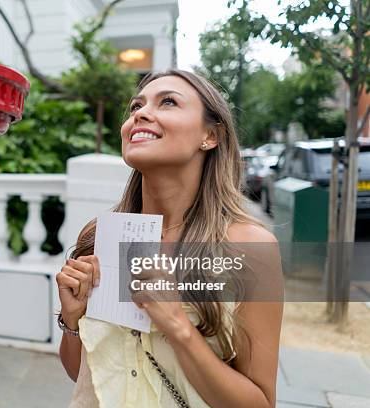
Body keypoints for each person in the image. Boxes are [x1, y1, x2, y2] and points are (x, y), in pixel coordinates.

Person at [56, 69, 283, 408]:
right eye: (136, 106)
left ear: (211, 135)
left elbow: (259, 403)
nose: (140, 114)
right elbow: (85, 375)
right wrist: (72, 321)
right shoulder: (98, 235)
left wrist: (178, 327)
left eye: (168, 102)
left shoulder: (251, 248)